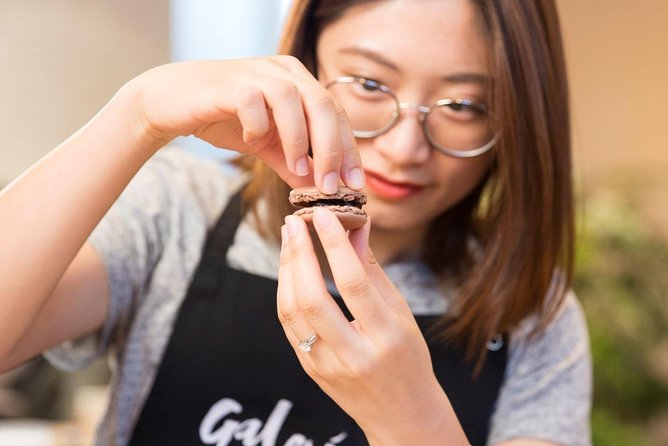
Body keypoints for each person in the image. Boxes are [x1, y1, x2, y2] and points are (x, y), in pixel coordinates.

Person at [0, 0, 592, 445]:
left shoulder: (536, 316)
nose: (407, 147)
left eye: (464, 106)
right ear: (305, 61)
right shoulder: (178, 209)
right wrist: (136, 114)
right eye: (367, 83)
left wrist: (412, 416)